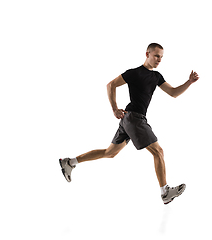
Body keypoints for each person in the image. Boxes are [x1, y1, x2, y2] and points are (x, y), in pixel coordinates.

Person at [59, 43, 199, 204]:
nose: (159, 59)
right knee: (158, 151)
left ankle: (69, 162)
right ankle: (165, 191)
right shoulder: (135, 73)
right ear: (147, 54)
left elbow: (173, 93)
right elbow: (111, 85)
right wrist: (114, 109)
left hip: (131, 119)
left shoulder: (157, 77)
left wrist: (189, 82)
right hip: (134, 118)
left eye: (161, 57)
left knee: (109, 152)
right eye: (156, 55)